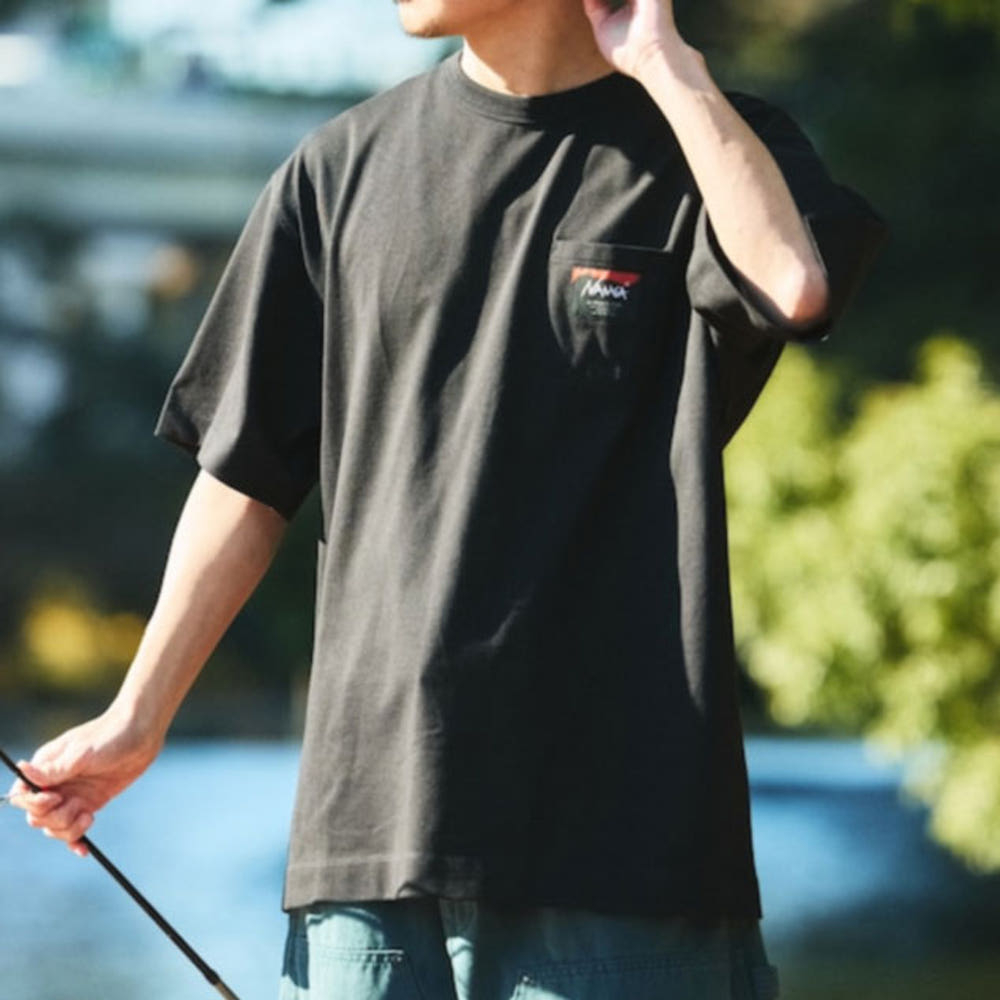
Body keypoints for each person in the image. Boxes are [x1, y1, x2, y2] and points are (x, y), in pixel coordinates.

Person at [9, 1, 886, 997]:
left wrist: (661, 60)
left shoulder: (715, 144)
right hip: (365, 848)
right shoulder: (335, 169)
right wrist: (136, 716)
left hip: (621, 850)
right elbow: (244, 475)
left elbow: (793, 287)